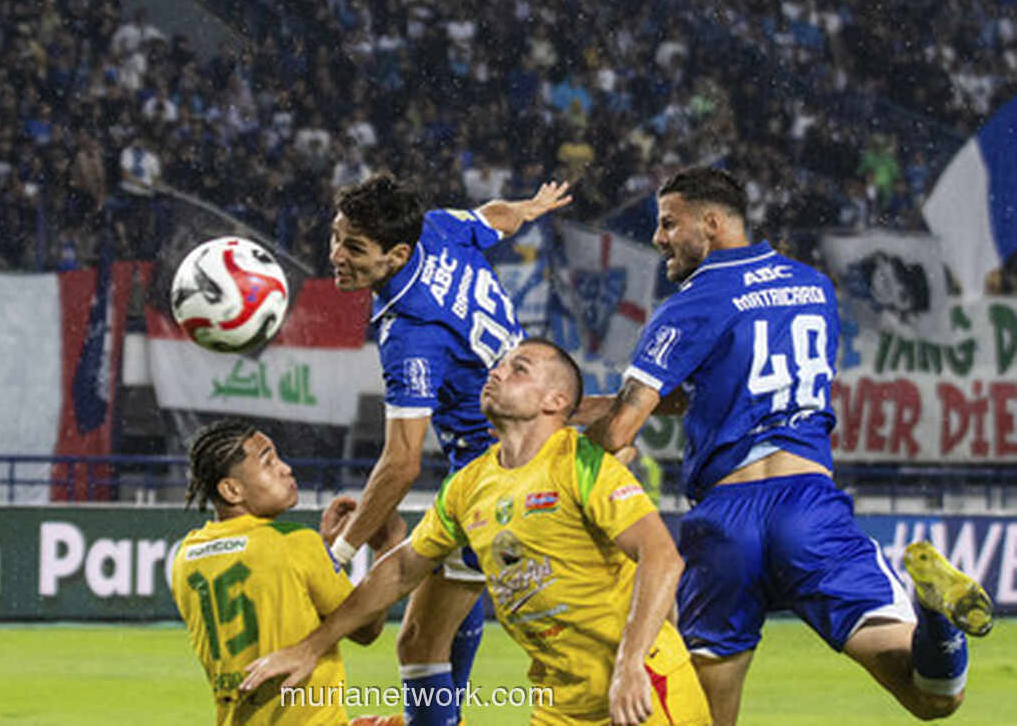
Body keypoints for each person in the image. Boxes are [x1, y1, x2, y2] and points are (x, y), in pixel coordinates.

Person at [576, 166, 993, 725]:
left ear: (712, 223)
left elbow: (621, 431)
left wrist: (566, 440)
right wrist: (582, 406)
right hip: (808, 509)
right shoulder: (812, 286)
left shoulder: (691, 303)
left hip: (727, 521)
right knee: (934, 698)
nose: (658, 239)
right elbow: (730, 383)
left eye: (669, 223)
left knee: (709, 717)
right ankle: (937, 620)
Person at [239, 338, 712, 726]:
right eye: (500, 364)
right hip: (562, 706)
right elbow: (402, 570)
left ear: (555, 402)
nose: (498, 372)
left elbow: (662, 557)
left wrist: (630, 664)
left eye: (519, 369)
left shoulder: (582, 465)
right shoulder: (468, 485)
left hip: (644, 690)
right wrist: (311, 647)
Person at [324, 172, 573, 725]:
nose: (337, 255)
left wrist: (339, 552)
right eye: (336, 236)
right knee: (448, 608)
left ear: (396, 255)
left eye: (354, 248)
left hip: (491, 476)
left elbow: (402, 463)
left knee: (417, 642)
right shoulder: (438, 229)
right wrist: (528, 208)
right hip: (532, 449)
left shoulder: (411, 333)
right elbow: (495, 216)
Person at [171, 418, 407, 725]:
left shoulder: (186, 556)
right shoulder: (294, 542)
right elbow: (366, 629)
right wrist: (387, 546)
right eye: (268, 462)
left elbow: (272, 584)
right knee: (439, 718)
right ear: (231, 489)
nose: (286, 469)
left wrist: (327, 552)